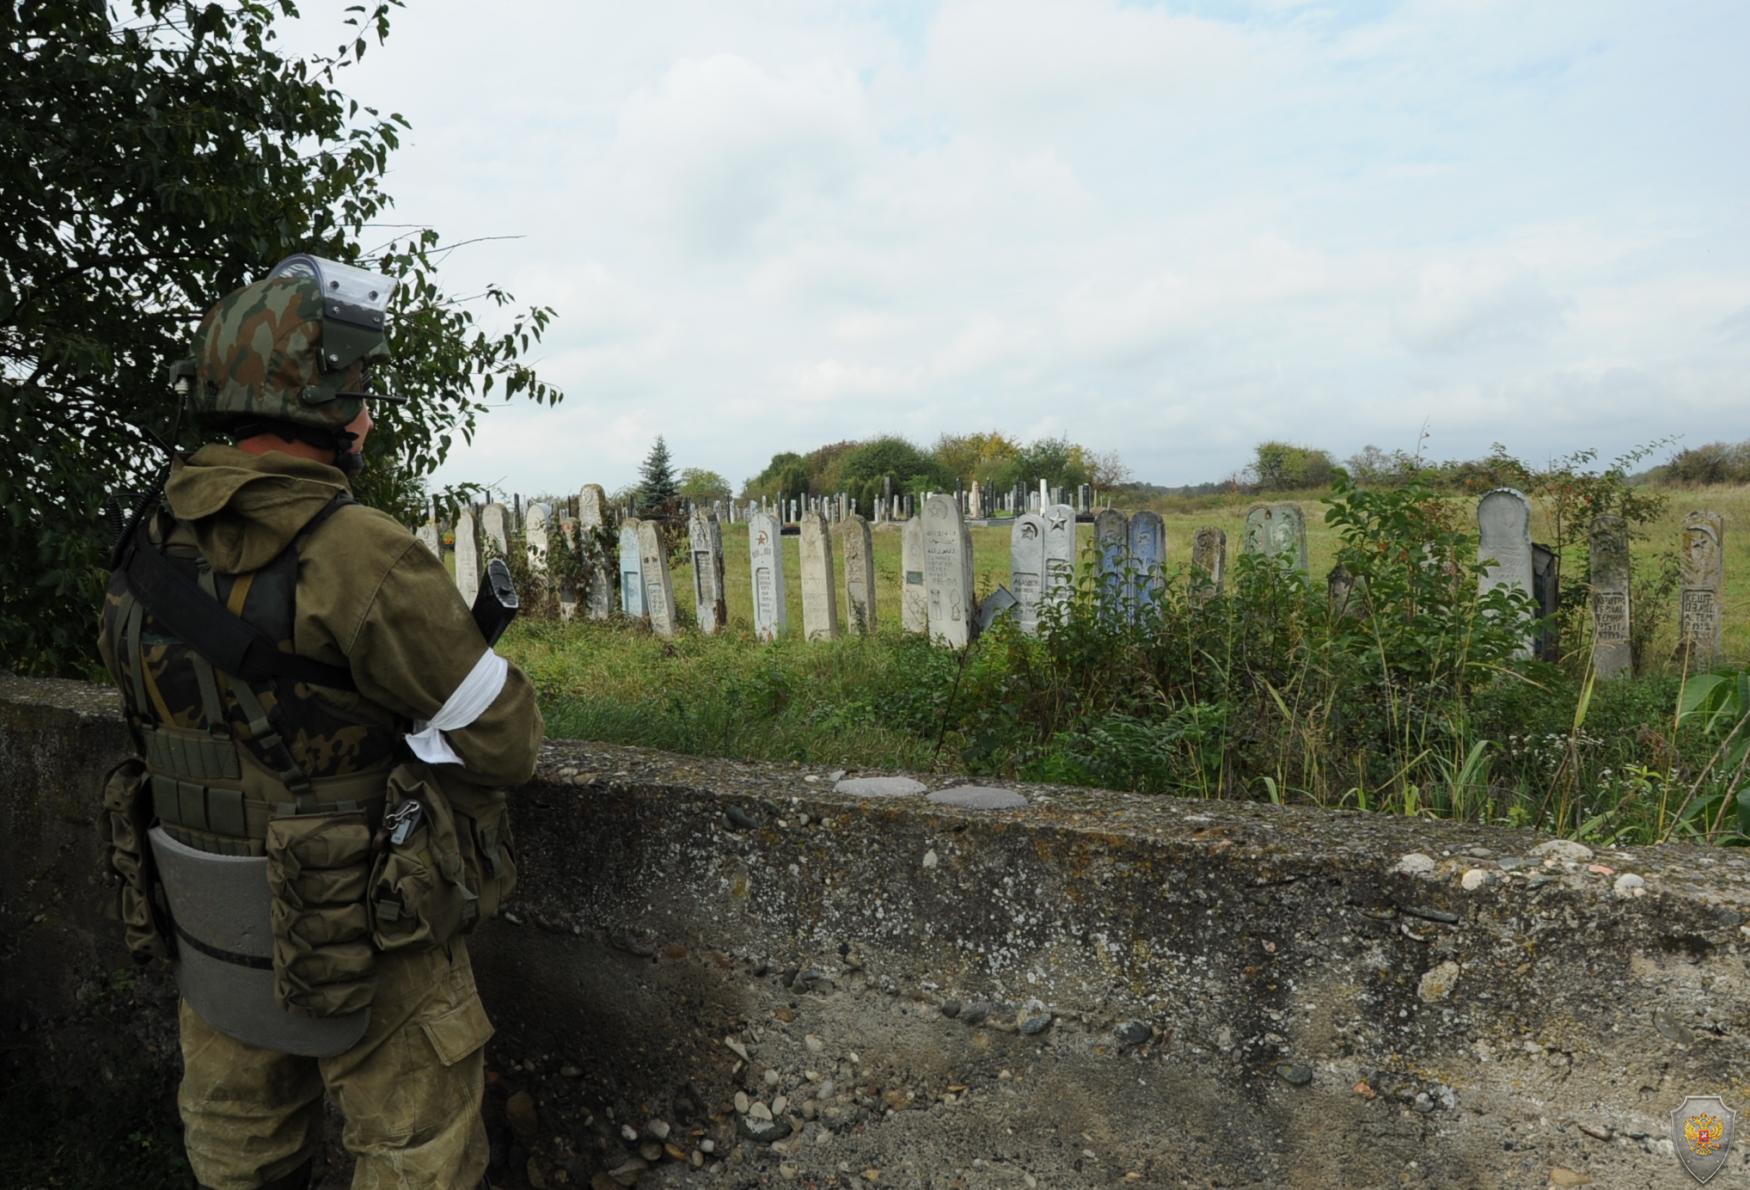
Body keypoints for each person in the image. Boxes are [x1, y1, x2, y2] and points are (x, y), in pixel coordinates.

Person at [97, 255, 543, 1189]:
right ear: (318, 405)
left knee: (237, 1151)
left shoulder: (143, 546)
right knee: (417, 1154)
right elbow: (504, 739)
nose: (369, 416)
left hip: (213, 925)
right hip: (363, 932)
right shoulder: (355, 551)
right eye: (360, 393)